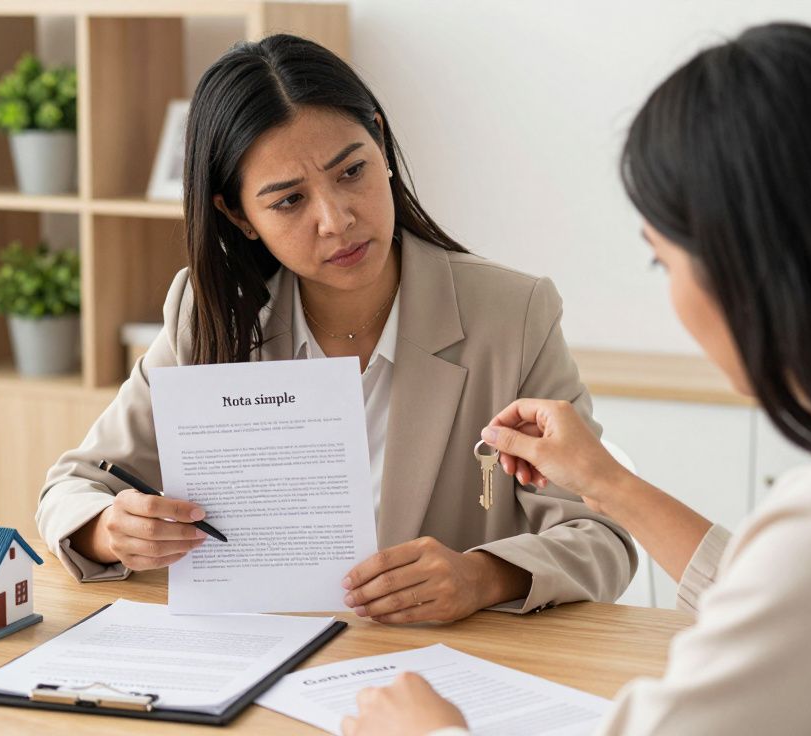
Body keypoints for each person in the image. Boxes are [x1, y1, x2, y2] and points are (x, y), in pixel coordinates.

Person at [345, 22, 811, 735]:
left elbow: (804, 589)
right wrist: (606, 483)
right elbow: (788, 605)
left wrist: (428, 733)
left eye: (663, 260)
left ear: (746, 269)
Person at [35, 34, 635, 622]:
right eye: (290, 201)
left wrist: (481, 576)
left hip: (435, 672)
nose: (337, 219)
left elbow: (602, 535)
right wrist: (109, 530)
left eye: (351, 172)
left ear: (380, 141)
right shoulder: (210, 313)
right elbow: (74, 485)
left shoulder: (512, 313)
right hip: (259, 658)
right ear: (239, 216)